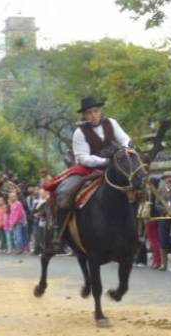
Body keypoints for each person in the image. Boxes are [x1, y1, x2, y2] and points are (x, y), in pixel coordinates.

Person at [50, 96, 132, 252]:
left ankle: (136, 232)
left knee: (136, 185)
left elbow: (125, 139)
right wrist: (104, 161)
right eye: (89, 113)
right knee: (66, 191)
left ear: (100, 111)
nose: (93, 115)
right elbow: (82, 158)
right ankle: (59, 235)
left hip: (116, 167)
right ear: (84, 115)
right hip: (90, 170)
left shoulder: (112, 123)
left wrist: (126, 149)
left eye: (96, 111)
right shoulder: (79, 133)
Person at [155, 171, 171, 270]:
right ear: (164, 180)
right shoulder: (159, 190)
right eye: (167, 177)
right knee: (163, 240)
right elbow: (157, 204)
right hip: (164, 218)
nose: (169, 179)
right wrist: (165, 210)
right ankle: (164, 264)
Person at [144, 177, 164, 269]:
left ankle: (157, 261)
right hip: (157, 217)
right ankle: (157, 261)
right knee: (156, 240)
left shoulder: (150, 194)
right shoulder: (159, 192)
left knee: (154, 241)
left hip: (151, 218)